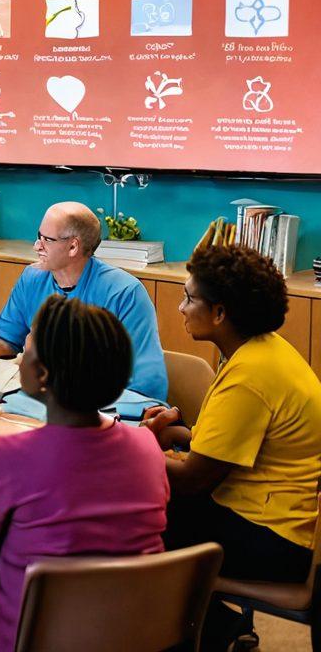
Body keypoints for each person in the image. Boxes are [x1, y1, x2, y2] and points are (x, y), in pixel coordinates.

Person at [0, 295, 168, 652]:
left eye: (28, 344)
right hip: (130, 631)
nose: (19, 354)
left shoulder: (6, 455)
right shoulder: (146, 447)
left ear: (43, 373)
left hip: (27, 635)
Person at [141, 245, 321, 649]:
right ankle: (220, 629)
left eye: (189, 298)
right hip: (271, 515)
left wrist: (133, 447)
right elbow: (229, 446)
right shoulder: (261, 350)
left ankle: (197, 634)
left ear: (220, 313)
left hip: (272, 539)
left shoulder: (249, 376)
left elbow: (192, 480)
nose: (180, 307)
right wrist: (178, 435)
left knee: (136, 521)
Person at [0, 201, 167, 400]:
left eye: (46, 240)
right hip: (40, 402)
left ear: (73, 246)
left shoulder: (125, 293)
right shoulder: (31, 278)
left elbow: (146, 388)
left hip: (96, 411)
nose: (36, 246)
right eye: (38, 237)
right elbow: (6, 342)